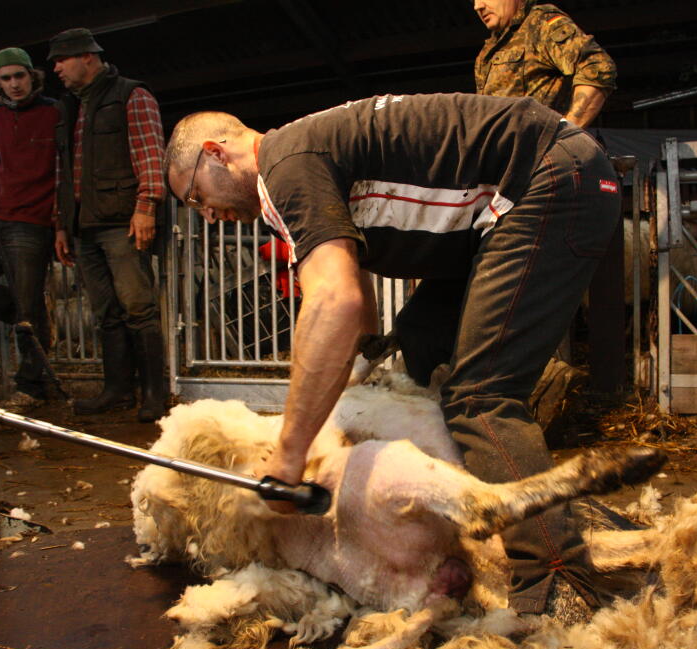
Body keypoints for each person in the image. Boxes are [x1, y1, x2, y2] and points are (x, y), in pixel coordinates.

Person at [164, 94, 622, 621]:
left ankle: (557, 578)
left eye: (196, 196)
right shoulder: (297, 166)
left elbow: (334, 301)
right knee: (421, 336)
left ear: (216, 153)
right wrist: (360, 361)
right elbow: (351, 281)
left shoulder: (284, 167)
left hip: (549, 178)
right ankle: (516, 509)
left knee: (481, 396)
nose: (208, 216)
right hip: (515, 197)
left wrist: (290, 454)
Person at [47, 27, 168, 422]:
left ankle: (154, 393)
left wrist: (146, 206)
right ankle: (117, 389)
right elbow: (64, 171)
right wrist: (62, 224)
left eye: (61, 60)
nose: (56, 69)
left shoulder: (131, 95)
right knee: (105, 312)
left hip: (122, 221)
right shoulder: (71, 107)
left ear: (87, 57)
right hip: (86, 226)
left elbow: (151, 153)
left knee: (138, 307)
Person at [0, 47, 60, 408]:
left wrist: (60, 218)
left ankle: (32, 385)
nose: (13, 84)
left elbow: (63, 165)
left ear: (31, 77)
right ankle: (33, 319)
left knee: (27, 302)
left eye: (19, 76)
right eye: (6, 79)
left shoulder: (53, 112)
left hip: (33, 220)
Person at [473, 0, 616, 127]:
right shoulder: (487, 52)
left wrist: (567, 132)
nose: (477, 6)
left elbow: (598, 66)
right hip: (504, 155)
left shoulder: (539, 23)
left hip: (539, 153)